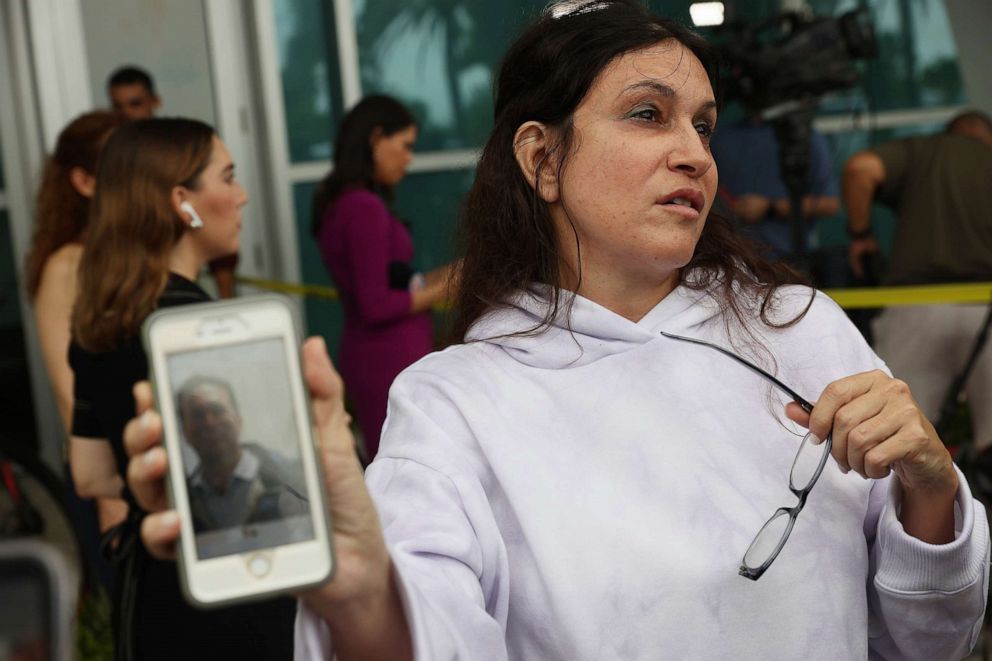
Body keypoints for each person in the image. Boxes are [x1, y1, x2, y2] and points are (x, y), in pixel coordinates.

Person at [128, 2, 987, 659]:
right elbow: (428, 625)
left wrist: (930, 490)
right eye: (649, 114)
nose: (694, 151)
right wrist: (361, 601)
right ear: (541, 158)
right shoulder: (454, 400)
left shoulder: (799, 328)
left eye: (703, 124)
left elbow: (930, 641)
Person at [68, 118, 295, 660]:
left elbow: (90, 473)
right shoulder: (203, 332)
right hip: (234, 589)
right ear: (181, 202)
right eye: (228, 177)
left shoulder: (99, 322)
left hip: (151, 590)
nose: (241, 196)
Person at [311, 95, 457, 460]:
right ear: (376, 139)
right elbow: (375, 305)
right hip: (387, 358)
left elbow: (385, 283)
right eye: (405, 146)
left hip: (378, 354)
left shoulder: (344, 203)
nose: (409, 159)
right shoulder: (362, 207)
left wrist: (445, 276)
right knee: (405, 464)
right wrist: (447, 287)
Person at [844, 111, 992, 452]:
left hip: (915, 307)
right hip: (987, 306)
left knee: (897, 441)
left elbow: (860, 169)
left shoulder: (924, 151)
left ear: (950, 131)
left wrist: (861, 235)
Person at [23, 110, 126, 591]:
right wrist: (110, 494)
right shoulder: (66, 267)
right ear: (83, 181)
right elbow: (71, 397)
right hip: (109, 478)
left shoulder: (123, 255)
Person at [106, 64, 240, 298]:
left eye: (135, 104)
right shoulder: (111, 160)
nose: (127, 114)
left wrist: (224, 297)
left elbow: (209, 229)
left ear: (155, 101)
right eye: (118, 107)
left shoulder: (177, 155)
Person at [176, 375, 307, 538]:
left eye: (217, 410)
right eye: (197, 415)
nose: (209, 422)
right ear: (184, 432)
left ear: (238, 419)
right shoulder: (180, 501)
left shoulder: (294, 480)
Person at [711, 115, 839, 257]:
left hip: (787, 258)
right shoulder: (721, 137)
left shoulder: (806, 138)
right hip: (729, 256)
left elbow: (829, 204)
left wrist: (770, 207)